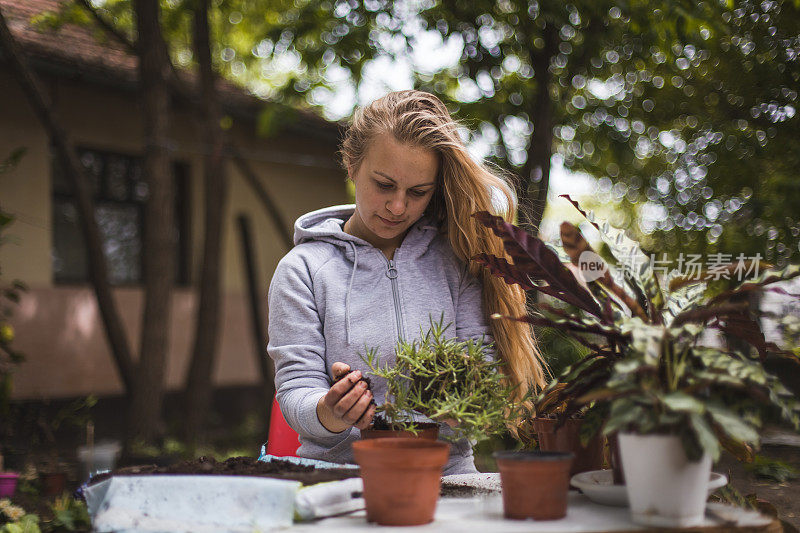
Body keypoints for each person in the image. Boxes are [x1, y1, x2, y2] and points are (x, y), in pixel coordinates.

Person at [267, 90, 546, 475]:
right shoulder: (303, 270)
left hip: (447, 481)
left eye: (417, 193)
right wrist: (330, 411)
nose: (398, 207)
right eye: (384, 185)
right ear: (351, 165)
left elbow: (484, 385)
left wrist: (459, 405)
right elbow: (295, 390)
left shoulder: (458, 261)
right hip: (342, 482)